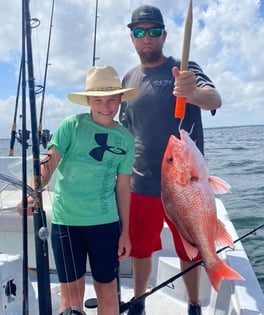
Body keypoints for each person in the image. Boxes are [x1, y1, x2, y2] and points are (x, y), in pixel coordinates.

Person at [119, 5, 222, 315]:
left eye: (153, 31)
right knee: (140, 249)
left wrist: (191, 94)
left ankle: (193, 305)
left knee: (189, 249)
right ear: (132, 38)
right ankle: (139, 301)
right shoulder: (129, 78)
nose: (146, 37)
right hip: (142, 182)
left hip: (183, 183)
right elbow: (125, 132)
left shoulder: (184, 67)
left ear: (164, 35)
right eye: (139, 32)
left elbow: (214, 99)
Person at [22, 66, 138, 315]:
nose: (105, 107)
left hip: (106, 224)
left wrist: (125, 232)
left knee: (107, 291)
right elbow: (48, 164)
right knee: (71, 295)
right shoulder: (71, 126)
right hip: (67, 224)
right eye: (98, 100)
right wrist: (33, 191)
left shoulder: (126, 139)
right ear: (88, 100)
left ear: (120, 100)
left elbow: (123, 187)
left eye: (112, 100)